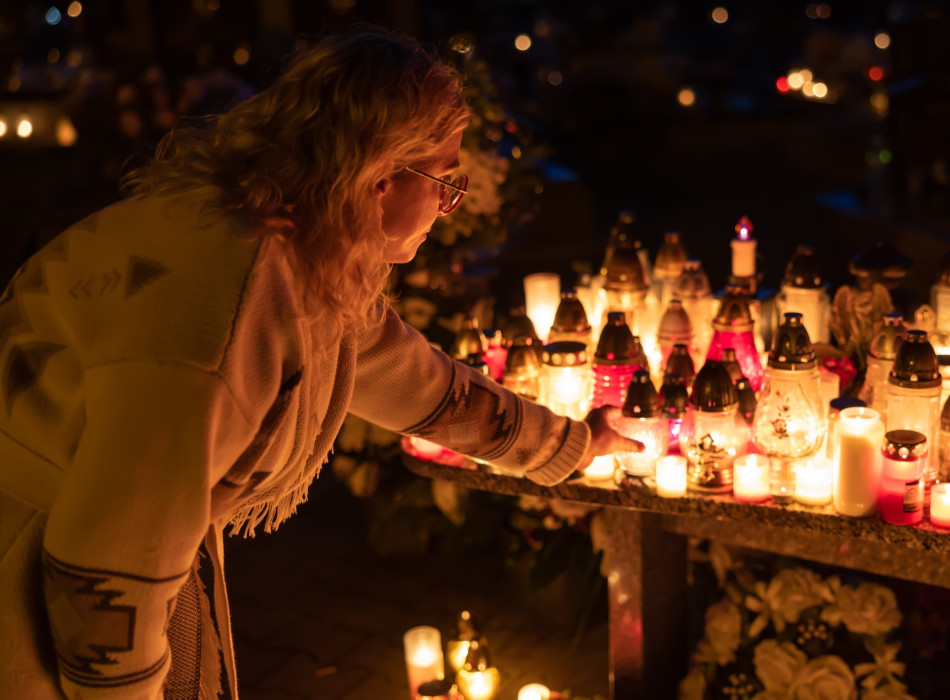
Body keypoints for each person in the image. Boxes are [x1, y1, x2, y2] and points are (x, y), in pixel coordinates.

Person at [0, 28, 640, 699]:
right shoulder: (223, 308)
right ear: (380, 175)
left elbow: (413, 380)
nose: (450, 209)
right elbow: (104, 570)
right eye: (445, 182)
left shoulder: (292, 241)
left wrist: (569, 445)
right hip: (31, 585)